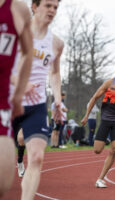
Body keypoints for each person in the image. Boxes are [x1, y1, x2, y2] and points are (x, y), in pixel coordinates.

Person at [11, 0, 64, 199]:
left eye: (55, 7)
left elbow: (55, 74)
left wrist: (58, 99)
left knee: (37, 157)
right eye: (48, 5)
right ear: (34, 6)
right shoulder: (15, 31)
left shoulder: (57, 43)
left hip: (36, 106)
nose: (52, 10)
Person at [81, 58, 115, 188]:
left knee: (114, 149)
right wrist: (86, 116)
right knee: (97, 150)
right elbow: (94, 98)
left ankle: (100, 179)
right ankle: (104, 138)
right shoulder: (109, 83)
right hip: (106, 120)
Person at [0, 0, 33, 196]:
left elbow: (28, 53)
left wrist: (19, 94)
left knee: (3, 183)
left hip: (2, 100)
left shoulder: (17, 9)